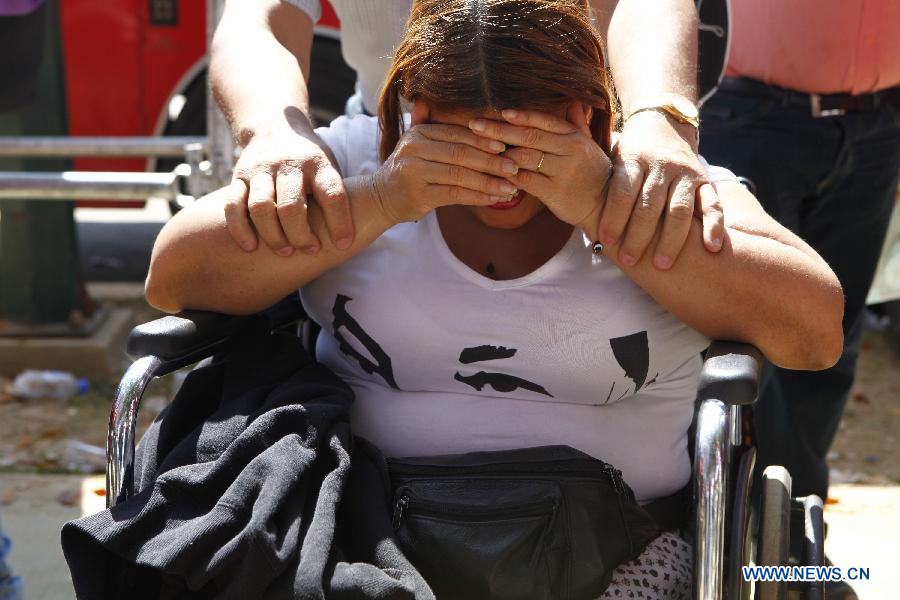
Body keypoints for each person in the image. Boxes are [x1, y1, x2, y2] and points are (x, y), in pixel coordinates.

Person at [147, 0, 844, 596]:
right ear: (414, 114)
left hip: (619, 555)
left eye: (527, 143)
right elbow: (173, 278)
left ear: (586, 112)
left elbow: (814, 335)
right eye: (465, 143)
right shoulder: (363, 163)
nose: (502, 181)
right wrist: (382, 200)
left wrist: (605, 206)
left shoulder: (643, 185)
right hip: (370, 547)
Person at [210, 0, 728, 274]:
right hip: (384, 133)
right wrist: (276, 133)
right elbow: (262, 16)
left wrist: (660, 119)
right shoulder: (360, 142)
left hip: (587, 141)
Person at [698, 2, 900, 510]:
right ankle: (722, 524)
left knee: (832, 342)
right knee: (735, 345)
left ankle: (794, 536)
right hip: (750, 115)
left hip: (879, 122)